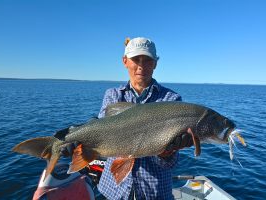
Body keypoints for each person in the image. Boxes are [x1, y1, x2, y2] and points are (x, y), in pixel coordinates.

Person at [61, 37, 193, 199]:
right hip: (114, 190)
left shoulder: (171, 99)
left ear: (155, 64)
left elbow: (170, 163)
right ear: (125, 61)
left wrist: (168, 152)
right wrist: (78, 137)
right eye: (136, 59)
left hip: (155, 192)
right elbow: (102, 133)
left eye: (147, 60)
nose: (141, 66)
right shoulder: (113, 95)